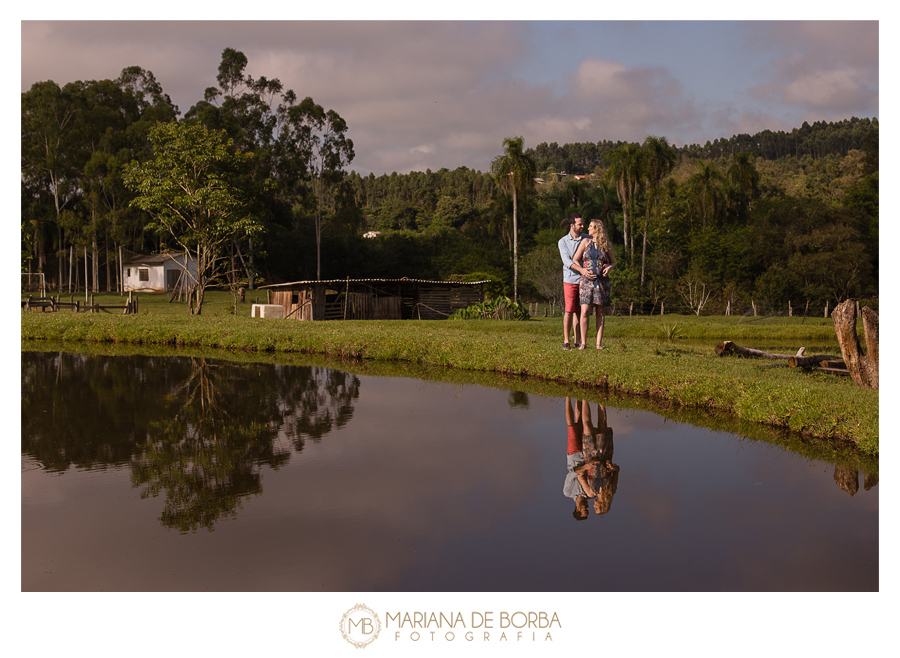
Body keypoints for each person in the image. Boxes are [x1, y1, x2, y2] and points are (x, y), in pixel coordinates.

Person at [571, 219, 615, 350]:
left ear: (597, 228)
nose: (588, 228)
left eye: (590, 226)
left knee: (600, 312)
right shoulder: (585, 242)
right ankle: (583, 343)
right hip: (586, 281)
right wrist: (583, 271)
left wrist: (609, 268)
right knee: (584, 311)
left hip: (602, 281)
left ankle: (598, 343)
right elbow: (575, 259)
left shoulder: (607, 244)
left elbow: (613, 262)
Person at [557, 213, 588, 350]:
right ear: (572, 225)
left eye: (582, 224)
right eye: (579, 224)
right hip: (570, 279)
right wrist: (582, 270)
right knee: (569, 310)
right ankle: (566, 341)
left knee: (580, 311)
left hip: (584, 280)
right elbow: (567, 262)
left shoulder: (587, 238)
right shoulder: (563, 241)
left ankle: (578, 341)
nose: (582, 226)